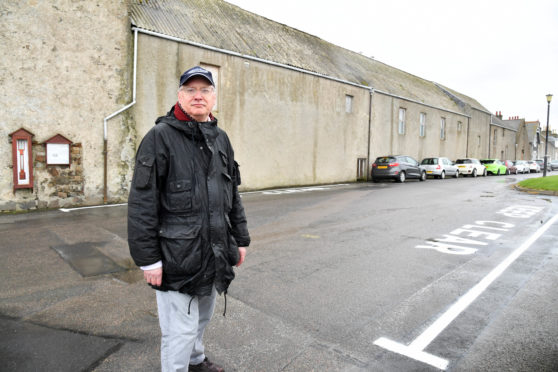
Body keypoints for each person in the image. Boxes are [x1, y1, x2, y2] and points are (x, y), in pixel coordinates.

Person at [128, 66, 250, 372]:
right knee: (179, 331)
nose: (198, 96)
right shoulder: (160, 137)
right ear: (179, 96)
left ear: (214, 97)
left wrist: (241, 238)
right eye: (191, 90)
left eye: (205, 90)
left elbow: (231, 192)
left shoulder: (221, 138)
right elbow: (142, 202)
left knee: (202, 318)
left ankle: (195, 362)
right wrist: (148, 259)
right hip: (176, 257)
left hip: (214, 251)